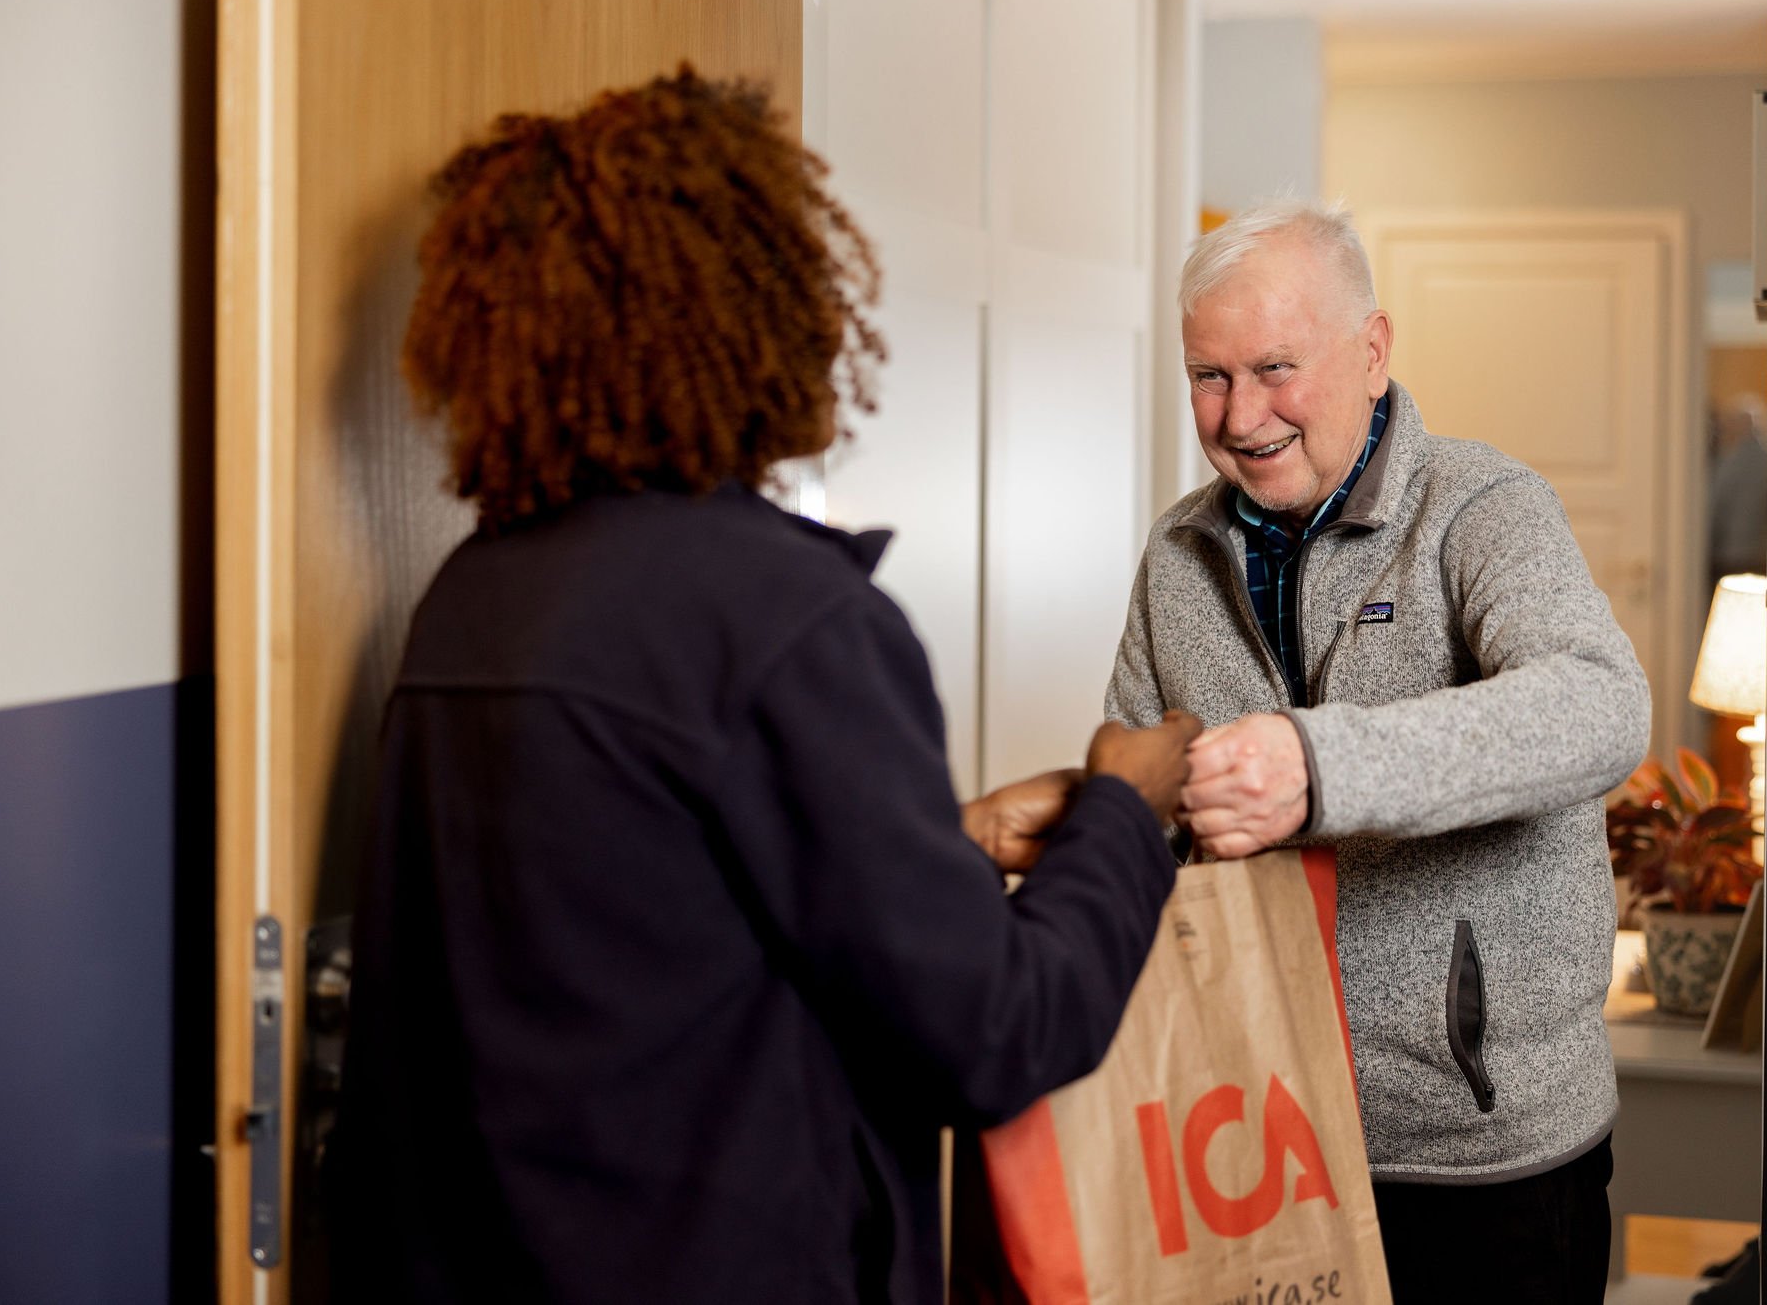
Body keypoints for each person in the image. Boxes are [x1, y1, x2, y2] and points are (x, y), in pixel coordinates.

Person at [331, 68, 1202, 1304]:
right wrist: (1121, 808)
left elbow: (630, 918)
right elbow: (996, 1032)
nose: (830, 315)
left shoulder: (472, 597)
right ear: (739, 307)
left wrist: (942, 845)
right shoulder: (785, 616)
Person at [1106, 199, 1651, 1303]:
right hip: (1252, 1141)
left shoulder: (1482, 506)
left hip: (1480, 1160)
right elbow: (1136, 770)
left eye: (1274, 368)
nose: (1240, 414)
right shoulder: (1176, 549)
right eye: (1208, 376)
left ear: (1371, 350)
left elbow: (1599, 706)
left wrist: (1317, 768)